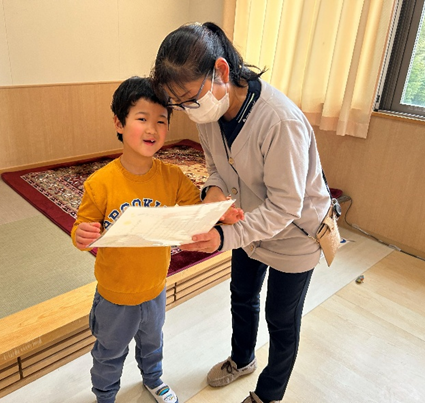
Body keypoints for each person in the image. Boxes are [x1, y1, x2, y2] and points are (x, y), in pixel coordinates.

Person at [151, 22, 332, 403]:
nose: (187, 110)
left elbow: (286, 205)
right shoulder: (209, 114)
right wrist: (213, 199)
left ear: (221, 71)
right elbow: (216, 169)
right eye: (177, 103)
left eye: (189, 98)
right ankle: (242, 359)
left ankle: (268, 395)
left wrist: (223, 236)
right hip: (247, 225)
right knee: (242, 296)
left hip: (295, 233)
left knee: (281, 321)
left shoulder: (279, 120)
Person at [72, 76, 242, 403]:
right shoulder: (100, 183)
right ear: (119, 123)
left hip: (155, 289)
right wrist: (81, 235)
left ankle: (153, 379)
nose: (152, 129)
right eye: (142, 119)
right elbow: (82, 229)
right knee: (109, 352)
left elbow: (196, 211)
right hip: (114, 295)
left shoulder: (172, 177)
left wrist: (220, 214)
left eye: (161, 121)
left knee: (153, 344)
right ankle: (105, 395)